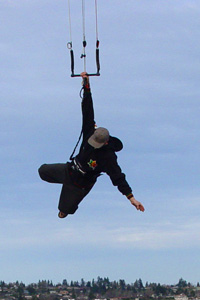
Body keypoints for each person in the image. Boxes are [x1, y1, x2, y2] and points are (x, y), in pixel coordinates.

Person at [39, 73, 145, 218]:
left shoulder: (108, 157)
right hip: (70, 170)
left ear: (105, 142)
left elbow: (118, 177)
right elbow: (87, 111)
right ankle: (62, 184)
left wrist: (131, 198)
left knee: (63, 212)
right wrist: (86, 85)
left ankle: (66, 205)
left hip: (80, 184)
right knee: (42, 171)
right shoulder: (90, 132)